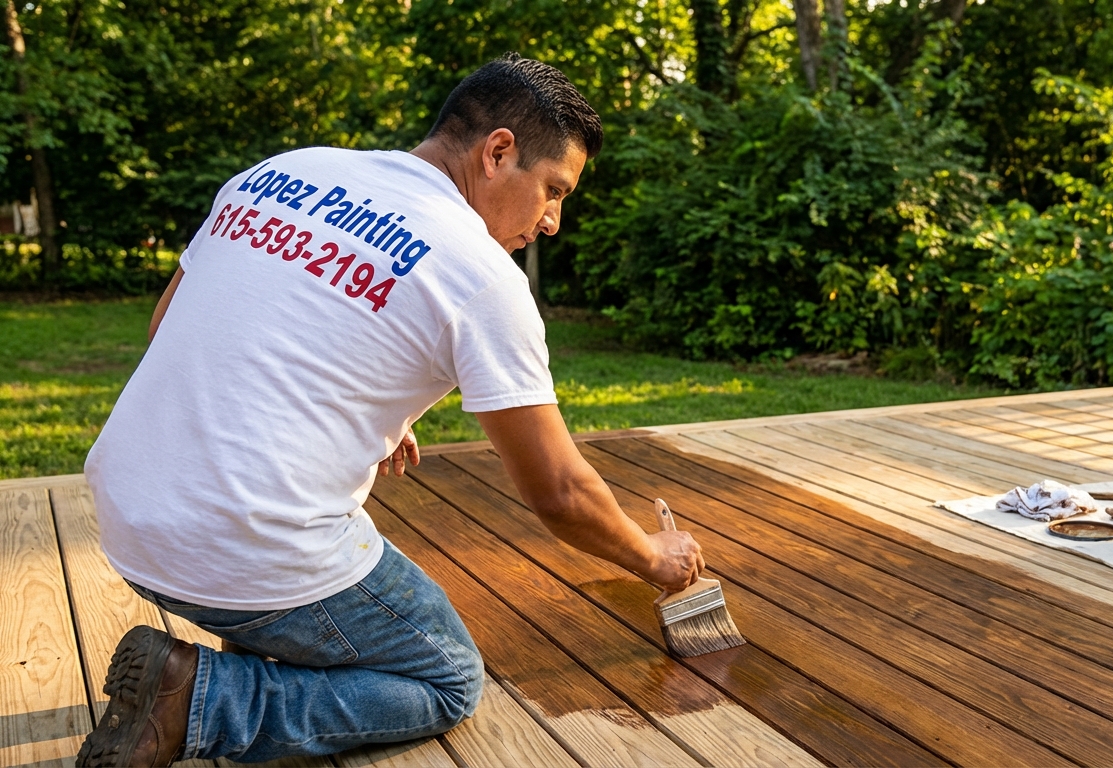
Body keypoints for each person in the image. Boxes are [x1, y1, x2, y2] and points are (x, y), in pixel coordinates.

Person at [76, 53, 706, 767]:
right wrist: (651, 557)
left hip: (128, 522)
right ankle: (201, 698)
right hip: (241, 548)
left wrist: (376, 415)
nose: (553, 219)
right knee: (443, 678)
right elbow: (559, 492)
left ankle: (234, 645)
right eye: (553, 189)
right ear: (498, 152)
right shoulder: (480, 273)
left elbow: (170, 327)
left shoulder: (282, 172)